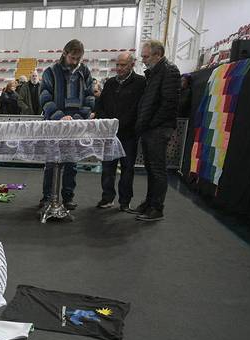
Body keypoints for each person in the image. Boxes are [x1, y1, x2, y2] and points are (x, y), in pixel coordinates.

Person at [39, 39, 95, 210]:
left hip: (75, 125)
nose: (76, 62)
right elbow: (44, 97)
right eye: (73, 58)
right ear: (64, 53)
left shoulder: (85, 72)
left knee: (72, 163)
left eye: (79, 58)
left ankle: (68, 197)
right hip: (55, 125)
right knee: (51, 163)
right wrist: (59, 117)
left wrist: (79, 117)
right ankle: (47, 197)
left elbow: (90, 96)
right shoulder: (50, 72)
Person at [134, 39, 180, 222]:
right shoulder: (155, 72)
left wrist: (151, 123)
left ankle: (156, 207)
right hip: (151, 128)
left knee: (157, 169)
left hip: (158, 129)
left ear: (157, 54)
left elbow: (168, 103)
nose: (143, 60)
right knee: (151, 169)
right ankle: (150, 202)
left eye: (146, 56)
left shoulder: (169, 71)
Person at [94, 52, 146, 211]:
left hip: (128, 135)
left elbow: (139, 108)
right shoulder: (109, 83)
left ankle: (125, 201)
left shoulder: (141, 83)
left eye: (123, 65)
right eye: (117, 65)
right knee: (107, 168)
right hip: (109, 134)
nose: (119, 68)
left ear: (132, 64)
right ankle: (107, 198)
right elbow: (100, 106)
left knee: (127, 169)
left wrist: (122, 124)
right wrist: (106, 122)